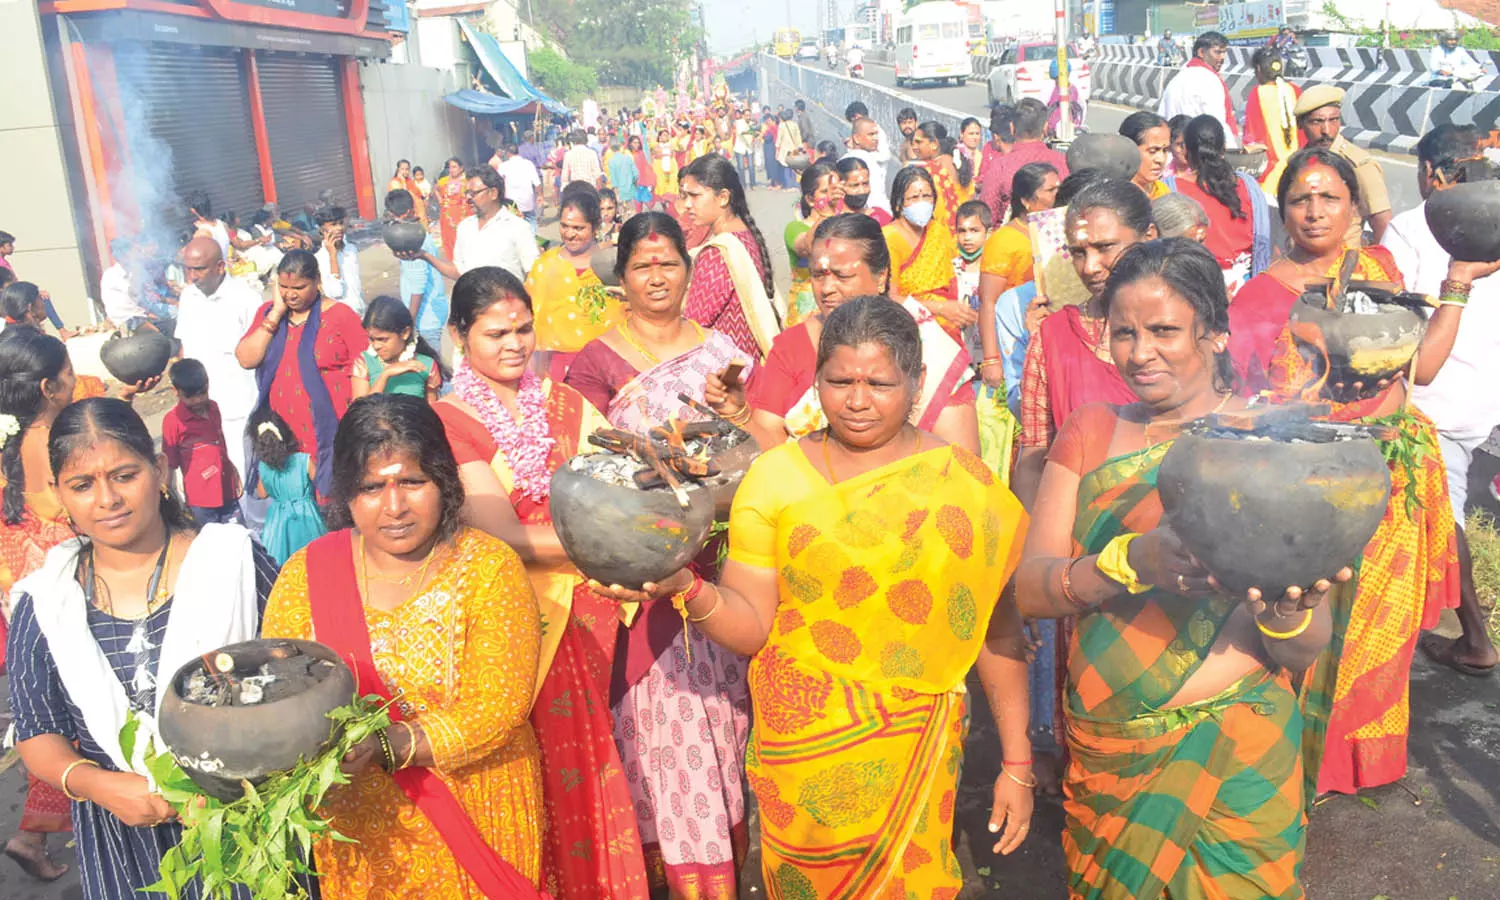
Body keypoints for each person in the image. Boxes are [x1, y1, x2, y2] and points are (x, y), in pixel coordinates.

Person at [597, 295, 1033, 896]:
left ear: (918, 381)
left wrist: (1018, 763)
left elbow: (997, 631)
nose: (856, 400)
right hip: (801, 757)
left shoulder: (966, 487)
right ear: (816, 382)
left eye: (879, 383)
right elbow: (751, 625)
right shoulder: (776, 477)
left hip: (914, 745)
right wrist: (687, 587)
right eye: (839, 381)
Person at [1015, 239, 1337, 899]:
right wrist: (1131, 562)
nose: (1139, 352)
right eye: (1124, 332)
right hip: (1111, 742)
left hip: (1238, 738)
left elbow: (1305, 647)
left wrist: (1284, 607)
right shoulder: (1091, 432)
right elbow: (1031, 588)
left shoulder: (1268, 444)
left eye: (1164, 331)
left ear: (1216, 334)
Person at [1227, 148, 1494, 795]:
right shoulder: (1262, 299)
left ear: (1353, 206)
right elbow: (1247, 404)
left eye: (1329, 197)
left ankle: (1363, 762)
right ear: (1282, 210)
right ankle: (1306, 764)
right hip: (1314, 487)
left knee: (1383, 633)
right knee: (1313, 632)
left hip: (1398, 479)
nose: (1315, 211)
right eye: (1300, 199)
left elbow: (1420, 370)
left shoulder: (1378, 269)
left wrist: (1457, 279)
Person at [262, 394, 548, 898]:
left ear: (444, 481)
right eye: (372, 487)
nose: (394, 507)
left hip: (474, 813)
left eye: (412, 482)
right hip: (360, 834)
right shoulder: (306, 574)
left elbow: (500, 707)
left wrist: (388, 746)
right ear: (346, 493)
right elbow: (279, 692)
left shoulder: (489, 568)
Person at [433, 267, 650, 900]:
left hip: (600, 607)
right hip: (524, 621)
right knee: (547, 772)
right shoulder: (449, 421)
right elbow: (503, 535)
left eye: (524, 328)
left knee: (604, 759)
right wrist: (617, 546)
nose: (515, 344)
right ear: (458, 337)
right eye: (496, 332)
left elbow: (618, 482)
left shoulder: (564, 402)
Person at [8, 397, 277, 900]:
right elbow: (37, 731)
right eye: (82, 485)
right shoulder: (46, 601)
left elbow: (296, 673)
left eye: (124, 475)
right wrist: (96, 784)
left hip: (245, 821)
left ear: (158, 470)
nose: (107, 498)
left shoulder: (231, 562)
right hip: (122, 837)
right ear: (59, 495)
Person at [564, 214, 753, 898]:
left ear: (688, 269)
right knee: (663, 746)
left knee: (726, 738)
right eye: (642, 265)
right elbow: (586, 473)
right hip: (641, 587)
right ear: (622, 275)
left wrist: (731, 419)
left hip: (721, 575)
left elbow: (752, 453)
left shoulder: (725, 351)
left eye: (668, 262)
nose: (656, 277)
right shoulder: (596, 362)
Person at [1382, 125, 1500, 678]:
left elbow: (1389, 312)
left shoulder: (1412, 227)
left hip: (1437, 400)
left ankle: (1476, 639)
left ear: (1430, 172)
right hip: (1484, 398)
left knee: (1441, 518)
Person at [721, 213, 979, 452]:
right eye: (818, 275)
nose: (827, 288)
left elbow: (961, 460)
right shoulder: (792, 345)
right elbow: (771, 441)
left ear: (881, 277)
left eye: (843, 276)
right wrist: (739, 414)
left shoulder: (930, 349)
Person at [1015, 178, 1159, 504]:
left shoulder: (1184, 327)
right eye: (1078, 253)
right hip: (1080, 530)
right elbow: (1035, 455)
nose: (1090, 267)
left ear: (1149, 237)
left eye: (1105, 248)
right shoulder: (1052, 337)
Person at [0, 329, 82, 884]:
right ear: (51, 387)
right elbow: (76, 517)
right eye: (71, 370)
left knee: (52, 716)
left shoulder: (11, 442)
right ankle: (33, 834)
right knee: (71, 721)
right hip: (56, 600)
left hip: (21, 593)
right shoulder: (50, 444)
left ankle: (33, 835)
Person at [235, 250, 369, 500]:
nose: (290, 294)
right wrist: (275, 313)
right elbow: (246, 358)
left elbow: (364, 370)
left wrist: (359, 424)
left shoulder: (341, 316)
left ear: (317, 280)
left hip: (331, 431)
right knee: (295, 507)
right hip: (284, 433)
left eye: (299, 286)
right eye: (283, 287)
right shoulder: (268, 313)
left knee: (333, 502)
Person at [679, 155, 782, 361]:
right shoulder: (745, 235)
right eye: (684, 196)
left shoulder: (717, 252)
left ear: (723, 197)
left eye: (695, 196)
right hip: (748, 362)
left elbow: (694, 324)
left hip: (726, 371)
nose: (687, 205)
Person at [977, 162, 1059, 390]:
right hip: (1015, 335)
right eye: (1051, 190)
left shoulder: (1056, 232)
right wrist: (992, 359)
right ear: (1026, 200)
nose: (1058, 195)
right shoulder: (1003, 241)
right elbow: (988, 301)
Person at [1168, 115, 1271, 294]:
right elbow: (1261, 242)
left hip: (1194, 286)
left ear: (1186, 151)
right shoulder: (1248, 185)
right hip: (1245, 285)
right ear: (1223, 148)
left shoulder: (1172, 188)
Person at [525, 187, 624, 361]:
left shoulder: (613, 266)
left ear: (595, 227)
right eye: (564, 226)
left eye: (578, 228)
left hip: (605, 364)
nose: (569, 234)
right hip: (552, 366)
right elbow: (529, 313)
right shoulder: (545, 265)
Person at [1295, 85, 1393, 244]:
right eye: (1317, 121)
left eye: (1333, 120)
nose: (1326, 130)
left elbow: (1382, 224)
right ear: (1301, 124)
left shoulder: (1357, 165)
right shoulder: (1297, 163)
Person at [884, 166, 971, 338]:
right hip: (906, 327)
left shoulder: (938, 231)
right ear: (898, 203)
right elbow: (889, 297)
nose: (922, 203)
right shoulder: (889, 238)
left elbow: (952, 280)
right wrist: (939, 308)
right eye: (914, 198)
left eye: (927, 196)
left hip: (947, 324)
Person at [162, 358, 241, 526]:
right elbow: (169, 462)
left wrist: (233, 471)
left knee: (237, 537)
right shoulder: (173, 421)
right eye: (190, 396)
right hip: (201, 499)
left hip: (226, 487)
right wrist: (167, 495)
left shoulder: (213, 408)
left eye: (202, 393)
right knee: (211, 543)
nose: (198, 400)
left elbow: (220, 445)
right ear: (175, 391)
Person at [426, 166, 539, 282]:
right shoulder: (465, 227)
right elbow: (459, 272)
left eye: (473, 193)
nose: (468, 198)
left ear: (493, 193)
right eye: (467, 193)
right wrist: (425, 256)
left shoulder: (518, 227)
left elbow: (533, 275)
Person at [246, 403, 323, 566]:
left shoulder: (264, 467)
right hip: (307, 519)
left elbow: (262, 493)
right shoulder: (303, 460)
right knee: (314, 561)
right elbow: (321, 481)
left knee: (282, 564)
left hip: (279, 523)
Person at [980, 99, 1068, 226]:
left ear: (1012, 128)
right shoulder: (1062, 162)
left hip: (1011, 240)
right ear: (1045, 128)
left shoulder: (1001, 166)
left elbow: (986, 217)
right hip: (1054, 239)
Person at [384, 189, 450, 354]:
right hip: (430, 312)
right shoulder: (419, 233)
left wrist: (410, 322)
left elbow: (418, 287)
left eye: (392, 216)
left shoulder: (411, 240)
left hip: (425, 317)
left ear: (405, 213)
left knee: (432, 369)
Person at [784, 161, 844, 327]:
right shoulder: (795, 228)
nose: (832, 197)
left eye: (835, 191)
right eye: (825, 192)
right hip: (806, 309)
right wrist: (826, 213)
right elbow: (807, 247)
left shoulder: (845, 225)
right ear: (810, 199)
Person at [1158, 31, 1241, 149]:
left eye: (1224, 53)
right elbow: (1218, 123)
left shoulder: (1176, 79)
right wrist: (1232, 150)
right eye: (1217, 52)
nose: (1222, 58)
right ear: (1201, 52)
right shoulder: (1210, 80)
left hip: (1176, 151)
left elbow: (1162, 118)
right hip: (1201, 152)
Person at [351, 296, 442, 402]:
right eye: (372, 339)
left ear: (405, 333)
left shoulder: (426, 365)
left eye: (382, 339)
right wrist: (385, 375)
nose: (376, 346)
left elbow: (432, 412)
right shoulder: (364, 363)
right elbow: (359, 413)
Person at [1242, 48, 1303, 191]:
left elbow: (1253, 137)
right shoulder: (1295, 90)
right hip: (1298, 167)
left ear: (1258, 69)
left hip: (1271, 174)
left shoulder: (1257, 93)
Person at [100, 240, 174, 334]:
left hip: (144, 314)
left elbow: (150, 294)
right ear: (122, 255)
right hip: (129, 320)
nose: (137, 255)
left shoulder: (138, 270)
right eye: (134, 251)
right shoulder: (111, 275)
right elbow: (132, 297)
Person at [910, 121, 972, 230]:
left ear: (934, 144)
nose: (914, 147)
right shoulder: (957, 162)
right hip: (964, 230)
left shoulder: (927, 170)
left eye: (919, 142)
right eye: (913, 142)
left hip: (940, 236)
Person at [313, 205, 364, 316]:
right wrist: (333, 256)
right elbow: (336, 292)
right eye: (333, 225)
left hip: (359, 312)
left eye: (341, 223)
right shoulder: (319, 259)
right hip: (341, 317)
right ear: (322, 230)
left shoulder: (351, 250)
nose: (339, 228)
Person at [842, 116, 893, 214]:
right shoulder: (866, 162)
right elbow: (876, 199)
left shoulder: (845, 159)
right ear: (856, 138)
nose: (876, 138)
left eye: (876, 134)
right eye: (871, 134)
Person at [1120, 110, 1172, 199]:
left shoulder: (1162, 192)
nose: (1161, 159)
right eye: (1152, 151)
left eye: (1165, 150)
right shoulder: (1114, 194)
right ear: (1129, 148)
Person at [493, 143, 543, 229]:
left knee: (512, 227)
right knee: (530, 221)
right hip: (527, 202)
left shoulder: (503, 166)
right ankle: (533, 240)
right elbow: (537, 182)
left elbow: (497, 182)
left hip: (511, 204)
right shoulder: (528, 164)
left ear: (508, 153)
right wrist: (540, 195)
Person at [836, 155, 891, 226]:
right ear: (840, 185)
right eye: (855, 185)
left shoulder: (880, 217)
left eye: (865, 184)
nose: (862, 191)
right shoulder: (829, 217)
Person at [435, 157, 468, 259]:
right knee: (448, 238)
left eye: (454, 167)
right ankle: (452, 260)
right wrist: (440, 199)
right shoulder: (443, 181)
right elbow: (435, 189)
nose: (452, 170)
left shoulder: (467, 180)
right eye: (450, 167)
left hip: (462, 212)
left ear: (461, 168)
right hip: (447, 213)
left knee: (461, 237)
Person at [186, 189, 231, 261]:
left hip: (213, 272)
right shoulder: (223, 225)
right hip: (225, 270)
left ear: (193, 210)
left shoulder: (201, 233)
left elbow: (186, 255)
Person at [387, 159, 429, 230]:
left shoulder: (409, 180)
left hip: (418, 214)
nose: (405, 171)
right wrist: (403, 182)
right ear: (398, 170)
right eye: (402, 169)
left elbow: (417, 193)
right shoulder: (395, 182)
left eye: (407, 169)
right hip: (406, 217)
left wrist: (423, 200)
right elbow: (402, 197)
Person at [605, 137, 639, 214]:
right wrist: (635, 185)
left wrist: (616, 193)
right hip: (630, 189)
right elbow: (636, 174)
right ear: (620, 146)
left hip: (620, 191)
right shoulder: (628, 158)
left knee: (622, 214)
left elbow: (614, 180)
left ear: (610, 147)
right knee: (632, 212)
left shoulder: (611, 161)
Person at [774, 109, 804, 191]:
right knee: (793, 168)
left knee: (786, 168)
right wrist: (800, 147)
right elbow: (798, 138)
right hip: (794, 149)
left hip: (785, 149)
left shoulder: (782, 125)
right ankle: (794, 185)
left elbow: (779, 139)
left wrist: (777, 151)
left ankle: (788, 186)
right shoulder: (795, 125)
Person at [628, 134, 658, 211]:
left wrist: (651, 180)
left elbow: (646, 167)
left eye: (638, 142)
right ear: (630, 143)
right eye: (634, 142)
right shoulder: (627, 155)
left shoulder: (641, 153)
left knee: (649, 204)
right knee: (637, 206)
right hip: (633, 183)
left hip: (643, 182)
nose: (637, 144)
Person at [732, 110, 759, 190]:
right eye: (746, 115)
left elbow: (756, 131)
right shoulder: (739, 122)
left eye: (749, 115)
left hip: (749, 147)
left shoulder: (752, 123)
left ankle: (752, 184)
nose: (748, 117)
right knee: (741, 167)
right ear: (743, 115)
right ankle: (743, 184)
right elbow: (742, 132)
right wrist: (752, 131)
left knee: (751, 166)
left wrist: (755, 131)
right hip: (740, 147)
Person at [1167, 113, 1194, 178]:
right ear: (1169, 147)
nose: (1185, 150)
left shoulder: (1204, 176)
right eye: (1179, 144)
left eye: (1189, 143)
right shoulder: (1163, 175)